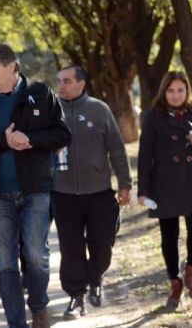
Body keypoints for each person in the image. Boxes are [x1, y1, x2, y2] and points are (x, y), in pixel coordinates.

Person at [0, 43, 71, 328]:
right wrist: (3, 140)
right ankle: (16, 323)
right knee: (6, 263)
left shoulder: (41, 94)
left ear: (12, 67)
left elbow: (62, 134)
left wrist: (30, 139)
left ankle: (38, 306)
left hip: (35, 190)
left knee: (36, 256)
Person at [52, 65, 132, 319]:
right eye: (59, 81)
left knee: (102, 243)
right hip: (63, 195)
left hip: (99, 193)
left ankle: (96, 276)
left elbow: (117, 149)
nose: (61, 86)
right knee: (71, 248)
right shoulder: (52, 112)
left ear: (81, 83)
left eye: (66, 81)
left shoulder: (99, 110)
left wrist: (125, 183)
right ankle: (76, 297)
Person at [137, 71, 192, 310]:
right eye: (171, 90)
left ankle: (191, 271)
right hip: (164, 183)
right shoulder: (153, 116)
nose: (175, 95)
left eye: (180, 90)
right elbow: (145, 156)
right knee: (169, 236)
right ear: (164, 92)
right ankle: (175, 283)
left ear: (187, 91)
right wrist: (143, 190)